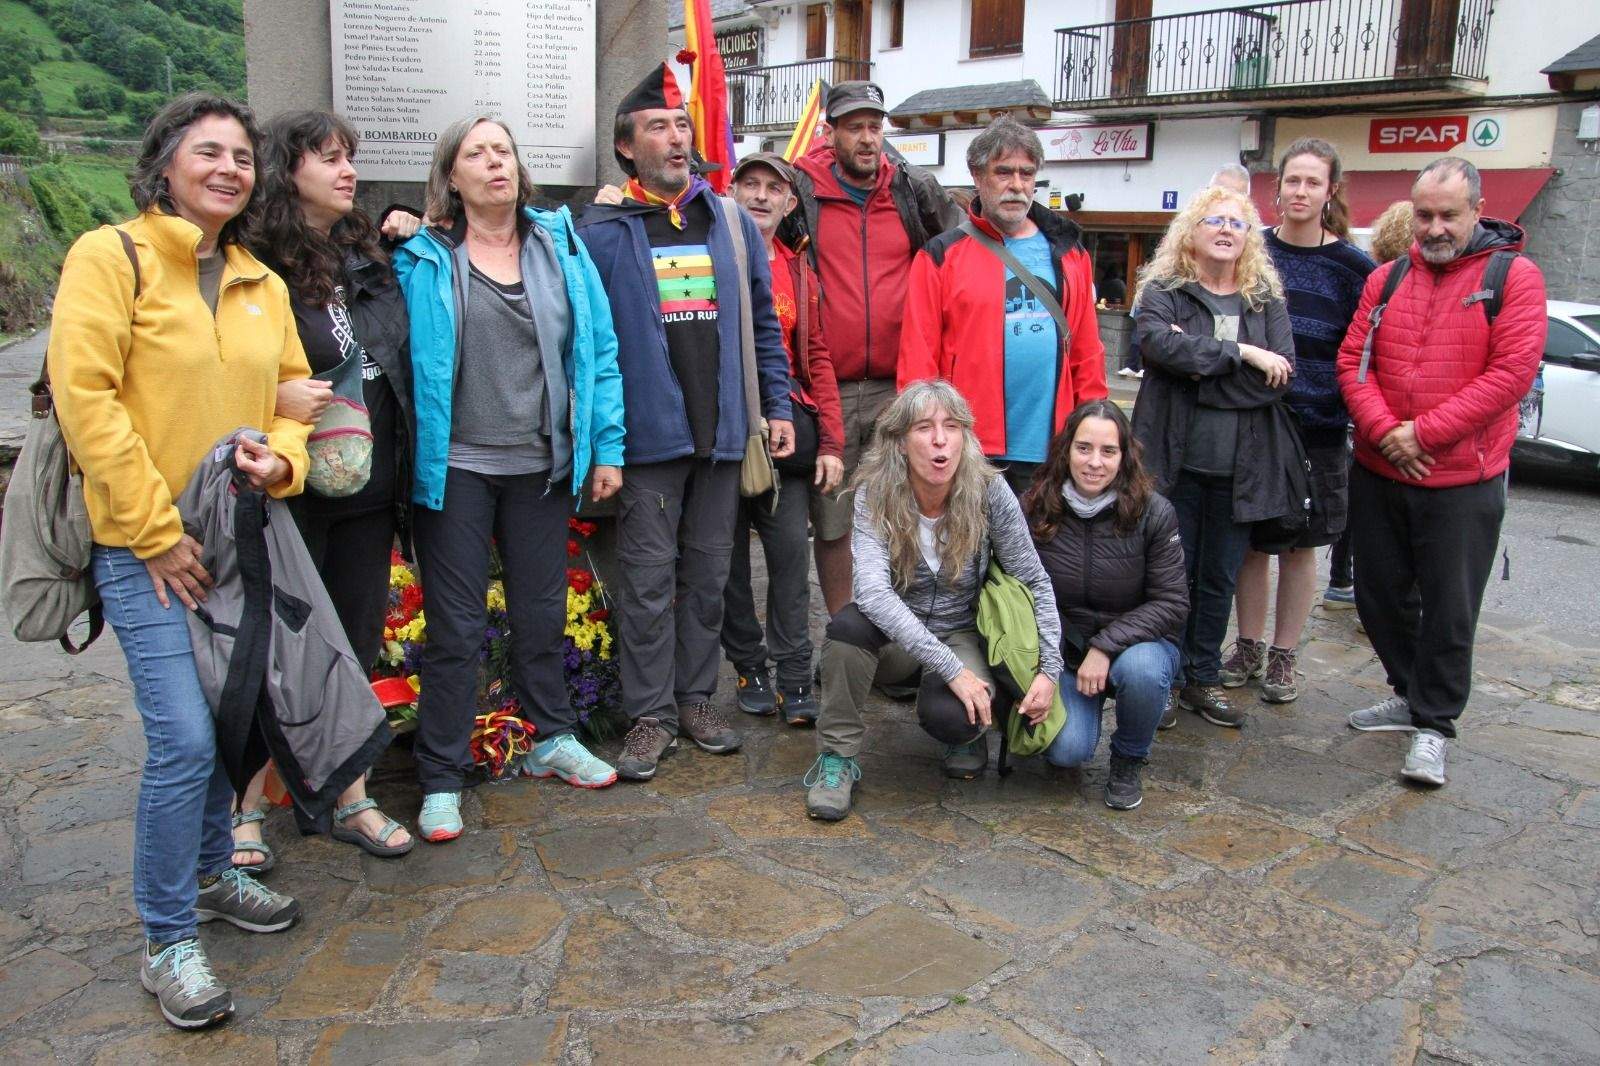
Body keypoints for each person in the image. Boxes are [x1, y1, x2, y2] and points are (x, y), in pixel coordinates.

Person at [47, 92, 308, 1030]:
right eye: (210, 152)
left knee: (225, 723)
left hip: (239, 539)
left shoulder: (261, 283)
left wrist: (285, 460)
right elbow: (89, 401)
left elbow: (292, 398)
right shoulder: (108, 258)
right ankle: (167, 940)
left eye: (243, 155)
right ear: (166, 164)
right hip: (145, 548)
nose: (231, 168)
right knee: (185, 740)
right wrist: (154, 532)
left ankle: (207, 877)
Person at [392, 115, 626, 842]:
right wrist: (390, 228)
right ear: (450, 177)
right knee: (457, 627)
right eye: (476, 153)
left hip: (541, 465)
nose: (495, 163)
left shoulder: (559, 246)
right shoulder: (424, 257)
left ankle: (551, 738)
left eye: (504, 151)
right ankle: (440, 775)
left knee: (541, 611)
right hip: (456, 465)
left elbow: (600, 351)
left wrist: (607, 447)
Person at [579, 63, 794, 782]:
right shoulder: (602, 231)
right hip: (647, 442)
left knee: (709, 577)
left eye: (681, 127)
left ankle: (696, 698)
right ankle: (650, 715)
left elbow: (765, 324)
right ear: (625, 148)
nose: (676, 140)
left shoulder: (729, 221)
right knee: (644, 582)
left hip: (724, 436)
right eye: (657, 129)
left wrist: (777, 408)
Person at [226, 109, 415, 867]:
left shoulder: (368, 254)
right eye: (328, 158)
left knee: (354, 644)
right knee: (267, 650)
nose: (347, 171)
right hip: (285, 491)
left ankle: (351, 796)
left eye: (350, 158)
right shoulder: (250, 264)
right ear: (285, 169)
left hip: (370, 486)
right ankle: (243, 813)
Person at [1337, 158, 1545, 787]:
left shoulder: (1515, 277)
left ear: (1477, 211)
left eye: (1448, 215)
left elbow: (1510, 376)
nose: (1434, 228)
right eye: (1423, 215)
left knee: (1450, 609)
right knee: (1375, 596)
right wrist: (1384, 433)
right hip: (1379, 469)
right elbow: (1353, 362)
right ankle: (1409, 692)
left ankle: (1434, 724)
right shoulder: (1388, 278)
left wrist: (1420, 435)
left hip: (1462, 479)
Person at [806, 380, 1061, 821]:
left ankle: (959, 728)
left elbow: (1034, 579)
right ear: (901, 442)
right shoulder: (875, 492)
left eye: (952, 426)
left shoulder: (989, 491)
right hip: (896, 634)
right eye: (924, 428)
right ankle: (837, 758)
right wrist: (950, 670)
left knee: (956, 718)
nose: (940, 440)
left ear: (966, 436)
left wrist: (1051, 670)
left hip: (962, 630)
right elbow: (871, 593)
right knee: (846, 631)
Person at [791, 81, 962, 615]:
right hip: (830, 387)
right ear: (831, 133)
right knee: (835, 521)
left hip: (899, 385)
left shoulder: (911, 191)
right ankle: (846, 635)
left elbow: (966, 238)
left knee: (901, 513)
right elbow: (747, 212)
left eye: (874, 126)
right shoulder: (804, 192)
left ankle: (901, 635)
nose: (867, 139)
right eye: (854, 127)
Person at [1130, 185, 1297, 729]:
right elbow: (1157, 347)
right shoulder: (1165, 290)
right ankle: (1167, 681)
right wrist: (1243, 354)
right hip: (1171, 467)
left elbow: (1277, 382)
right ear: (1191, 232)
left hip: (1240, 471)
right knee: (1170, 579)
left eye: (1238, 222)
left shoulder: (1263, 300)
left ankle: (1202, 678)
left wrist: (1196, 371)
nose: (1226, 229)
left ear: (1250, 238)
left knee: (1219, 579)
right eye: (1214, 220)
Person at [1222, 138, 1375, 702]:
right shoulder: (1252, 253)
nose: (1301, 192)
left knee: (1301, 546)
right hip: (1258, 422)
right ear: (1277, 188)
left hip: (1319, 426)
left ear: (1330, 190)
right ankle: (1248, 645)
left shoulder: (1355, 268)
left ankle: (1285, 654)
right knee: (1252, 544)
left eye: (1314, 182)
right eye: (1293, 181)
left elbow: (1364, 351)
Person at [898, 115, 1107, 495]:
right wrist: (926, 438)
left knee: (1037, 555)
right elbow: (917, 361)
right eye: (1004, 172)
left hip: (1050, 446)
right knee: (965, 555)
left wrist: (1094, 426)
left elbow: (1087, 352)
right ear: (978, 177)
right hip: (969, 448)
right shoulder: (940, 256)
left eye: (1027, 174)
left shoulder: (1070, 253)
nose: (1016, 186)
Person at [720, 152, 845, 725]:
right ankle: (749, 666)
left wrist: (833, 444)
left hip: (785, 439)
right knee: (727, 565)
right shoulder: (711, 253)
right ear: (732, 190)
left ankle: (795, 675)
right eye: (751, 184)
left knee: (791, 559)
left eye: (775, 188)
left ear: (791, 203)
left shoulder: (800, 272)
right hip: (722, 433)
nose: (762, 196)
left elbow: (816, 356)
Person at [1021, 400, 1187, 810]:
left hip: (1136, 646)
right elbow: (1015, 592)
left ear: (1124, 455)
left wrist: (1106, 645)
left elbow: (1172, 602)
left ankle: (1129, 759)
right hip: (1065, 653)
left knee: (1145, 672)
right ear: (1066, 450)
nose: (1094, 462)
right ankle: (1074, 717)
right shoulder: (1034, 506)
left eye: (1108, 451)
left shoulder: (1155, 512)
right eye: (1083, 448)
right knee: (1067, 752)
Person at [1325, 198, 1416, 610]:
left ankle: (1342, 580)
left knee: (1357, 508)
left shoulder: (1373, 275)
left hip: (1372, 418)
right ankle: (1365, 590)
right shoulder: (1380, 283)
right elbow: (1355, 357)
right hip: (1380, 418)